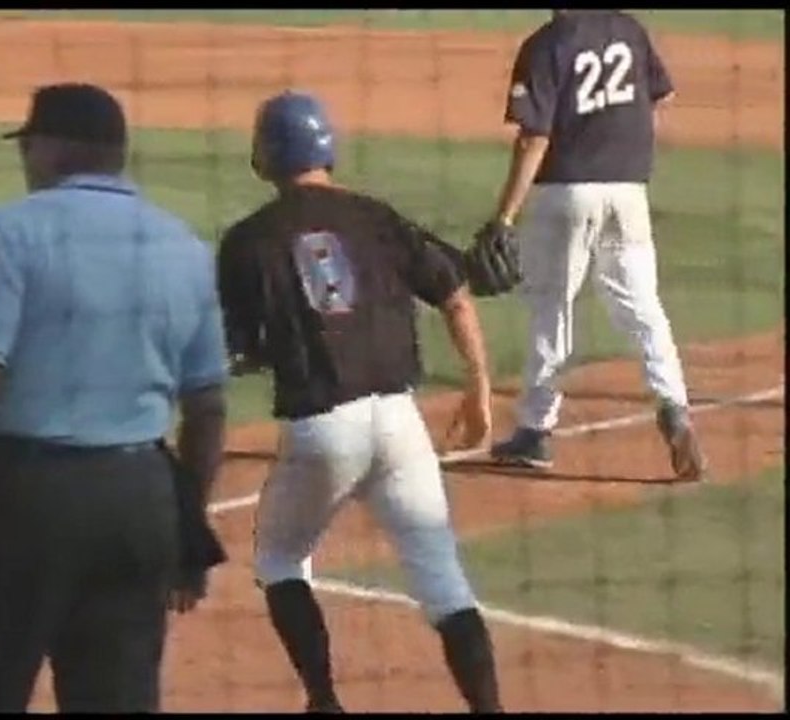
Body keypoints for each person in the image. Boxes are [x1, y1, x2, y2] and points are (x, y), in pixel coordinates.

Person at [0, 82, 229, 712]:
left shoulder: (8, 231)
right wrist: (187, 526)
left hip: (22, 499)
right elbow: (208, 409)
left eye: (29, 145)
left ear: (50, 149)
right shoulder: (183, 246)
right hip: (139, 499)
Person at [217, 90, 502, 713]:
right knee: (443, 578)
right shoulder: (376, 216)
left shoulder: (247, 241)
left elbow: (234, 348)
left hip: (322, 428)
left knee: (279, 555)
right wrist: (478, 387)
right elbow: (455, 293)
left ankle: (324, 701)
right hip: (402, 422)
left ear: (264, 155)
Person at [485, 10, 707, 479]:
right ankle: (675, 406)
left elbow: (533, 138)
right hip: (628, 190)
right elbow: (659, 97)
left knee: (552, 308)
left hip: (566, 192)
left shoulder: (546, 43)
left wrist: (504, 216)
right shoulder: (629, 29)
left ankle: (535, 431)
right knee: (644, 308)